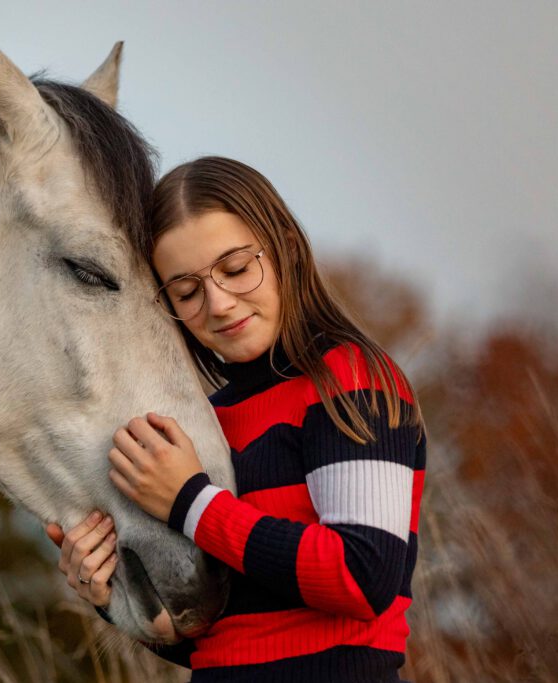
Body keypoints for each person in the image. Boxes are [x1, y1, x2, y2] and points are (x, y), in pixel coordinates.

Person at [45, 156, 426, 682]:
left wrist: (189, 501)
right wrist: (112, 595)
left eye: (236, 268)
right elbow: (216, 640)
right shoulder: (204, 426)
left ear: (286, 246)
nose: (218, 303)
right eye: (186, 291)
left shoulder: (349, 379)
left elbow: (363, 575)